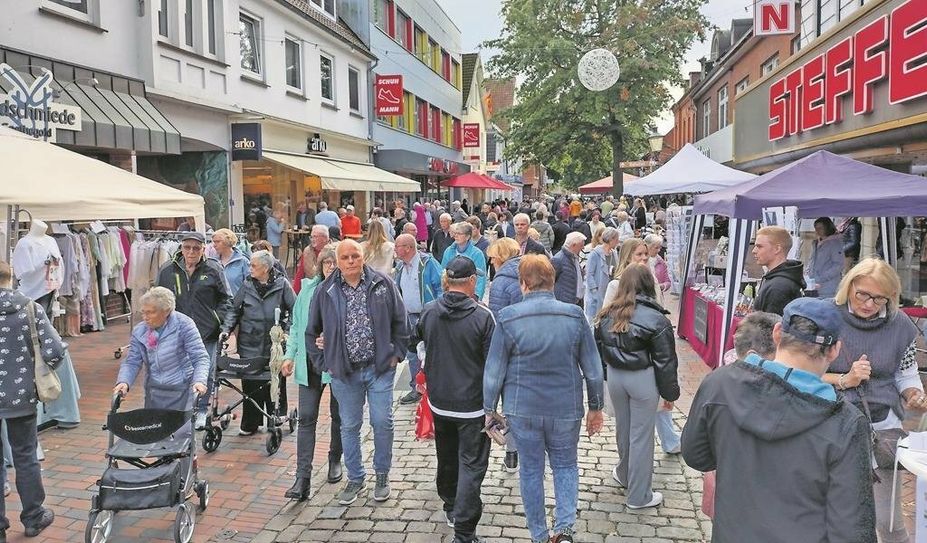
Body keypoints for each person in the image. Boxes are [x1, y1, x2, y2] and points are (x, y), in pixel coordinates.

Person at [681, 298, 876, 543]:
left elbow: (696, 455)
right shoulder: (846, 423)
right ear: (835, 349)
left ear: (777, 333)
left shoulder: (720, 383)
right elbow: (853, 528)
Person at [484, 255, 604, 543]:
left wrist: (489, 408)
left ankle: (538, 534)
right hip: (565, 406)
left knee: (531, 469)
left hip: (522, 407)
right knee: (565, 464)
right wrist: (596, 406)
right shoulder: (574, 315)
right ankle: (563, 530)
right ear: (552, 281)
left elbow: (494, 370)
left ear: (523, 284)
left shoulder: (509, 317)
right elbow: (593, 367)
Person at [821, 258, 923, 542]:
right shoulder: (826, 316)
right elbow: (802, 372)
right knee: (834, 510)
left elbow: (905, 373)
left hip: (882, 425)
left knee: (889, 520)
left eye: (879, 298)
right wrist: (844, 380)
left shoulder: (900, 325)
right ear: (849, 285)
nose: (869, 304)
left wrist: (913, 393)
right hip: (831, 422)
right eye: (862, 294)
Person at [306, 240, 409, 505]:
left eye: (355, 256)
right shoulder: (324, 290)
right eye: (345, 257)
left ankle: (382, 474)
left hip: (379, 369)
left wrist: (396, 354)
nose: (351, 261)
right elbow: (312, 331)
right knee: (349, 425)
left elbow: (401, 321)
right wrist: (324, 362)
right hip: (344, 372)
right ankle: (355, 477)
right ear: (337, 262)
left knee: (382, 421)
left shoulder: (382, 284)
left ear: (363, 257)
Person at [417, 257, 494, 543]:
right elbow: (493, 365)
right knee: (472, 465)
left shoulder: (430, 311)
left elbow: (418, 342)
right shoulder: (483, 316)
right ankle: (463, 528)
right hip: (472, 405)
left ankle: (451, 503)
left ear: (448, 280)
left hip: (441, 401)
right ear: (472, 280)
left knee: (447, 456)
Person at [594, 265, 680, 509]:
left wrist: (605, 375)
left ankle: (624, 473)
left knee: (624, 428)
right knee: (641, 435)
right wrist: (669, 393)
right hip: (642, 377)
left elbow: (598, 350)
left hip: (615, 377)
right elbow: (665, 361)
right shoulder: (656, 318)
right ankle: (638, 495)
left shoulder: (607, 314)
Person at [0, 262, 66, 540]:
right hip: (20, 395)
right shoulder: (30, 308)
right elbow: (54, 351)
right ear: (11, 277)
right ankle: (33, 517)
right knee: (25, 455)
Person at [281, 244, 343, 501]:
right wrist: (289, 356)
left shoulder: (345, 291)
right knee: (306, 418)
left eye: (333, 262)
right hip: (309, 364)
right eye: (326, 262)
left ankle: (334, 459)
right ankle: (302, 478)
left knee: (339, 415)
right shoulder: (307, 290)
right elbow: (296, 326)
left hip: (337, 364)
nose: (330, 266)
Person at [156, 232, 231, 429]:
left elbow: (226, 299)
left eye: (196, 248)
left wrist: (218, 322)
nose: (191, 252)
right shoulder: (167, 270)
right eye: (187, 247)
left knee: (204, 373)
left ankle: (201, 409)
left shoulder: (213, 269)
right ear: (181, 248)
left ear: (203, 250)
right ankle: (181, 410)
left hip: (206, 332)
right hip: (176, 333)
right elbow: (158, 300)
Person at [221, 250, 296, 436]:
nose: (250, 268)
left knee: (275, 381)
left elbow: (296, 310)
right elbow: (234, 310)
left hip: (275, 343)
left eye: (253, 265)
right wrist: (226, 330)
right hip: (249, 341)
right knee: (250, 383)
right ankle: (250, 423)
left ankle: (275, 416)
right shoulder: (247, 284)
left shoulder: (282, 284)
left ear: (266, 268)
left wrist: (287, 332)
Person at [393, 234, 443, 406]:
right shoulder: (400, 267)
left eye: (397, 245)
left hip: (427, 315)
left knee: (433, 352)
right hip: (408, 317)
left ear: (408, 248)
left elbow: (441, 287)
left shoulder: (427, 264)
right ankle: (417, 388)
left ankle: (436, 387)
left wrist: (438, 312)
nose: (395, 248)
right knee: (412, 354)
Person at [752, 226, 805, 315]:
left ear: (777, 249)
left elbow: (771, 326)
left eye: (759, 246)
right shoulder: (780, 278)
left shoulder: (778, 286)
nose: (754, 251)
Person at [441, 223, 487, 301]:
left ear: (468, 236)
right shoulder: (448, 251)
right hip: (449, 296)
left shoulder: (477, 254)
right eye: (455, 233)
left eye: (459, 233)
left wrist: (476, 297)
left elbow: (481, 279)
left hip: (468, 296)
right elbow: (442, 273)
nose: (456, 236)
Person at [584, 227, 620, 323]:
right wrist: (594, 291)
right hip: (597, 294)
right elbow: (589, 274)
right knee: (594, 320)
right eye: (616, 239)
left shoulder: (614, 253)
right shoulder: (595, 253)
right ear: (610, 239)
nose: (618, 241)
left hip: (610, 291)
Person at [809, 217, 844, 297]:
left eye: (820, 228)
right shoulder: (816, 243)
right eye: (816, 228)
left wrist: (822, 277)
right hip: (815, 284)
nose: (817, 231)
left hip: (829, 286)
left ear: (827, 228)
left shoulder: (835, 243)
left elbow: (838, 265)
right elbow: (811, 260)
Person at [487, 238, 523, 315]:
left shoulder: (500, 280)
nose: (491, 262)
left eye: (493, 257)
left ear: (502, 256)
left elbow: (497, 314)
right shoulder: (530, 270)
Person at [211, 229, 251, 296]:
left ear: (228, 242)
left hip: (238, 304)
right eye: (214, 242)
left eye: (217, 242)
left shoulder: (243, 261)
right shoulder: (212, 262)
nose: (214, 245)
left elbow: (250, 286)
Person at [293, 225, 331, 293]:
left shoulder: (334, 250)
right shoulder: (307, 251)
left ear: (325, 238)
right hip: (311, 289)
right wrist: (295, 294)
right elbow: (300, 273)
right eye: (311, 237)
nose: (312, 239)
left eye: (315, 237)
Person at [551, 232, 585, 306]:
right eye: (581, 245)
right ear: (573, 245)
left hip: (575, 302)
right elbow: (550, 281)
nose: (583, 248)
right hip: (565, 304)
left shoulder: (574, 257)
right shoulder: (558, 259)